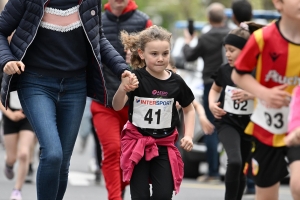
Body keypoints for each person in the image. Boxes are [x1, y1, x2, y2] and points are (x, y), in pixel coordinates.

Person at [0, 0, 138, 200]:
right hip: (35, 83)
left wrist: (122, 70)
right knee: (53, 153)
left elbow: (98, 39)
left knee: (63, 162)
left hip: (75, 86)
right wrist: (7, 59)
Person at [113, 25, 195, 199]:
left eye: (165, 54)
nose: (160, 59)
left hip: (164, 145)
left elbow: (189, 109)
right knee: (140, 195)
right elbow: (117, 106)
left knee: (164, 195)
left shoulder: (176, 82)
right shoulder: (136, 78)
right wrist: (122, 89)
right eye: (154, 54)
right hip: (138, 144)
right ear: (142, 54)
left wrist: (188, 135)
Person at [231, 0, 300, 199]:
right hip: (267, 127)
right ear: (278, 3)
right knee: (267, 195)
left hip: (297, 126)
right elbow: (239, 74)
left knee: (298, 186)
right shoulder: (263, 38)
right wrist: (265, 93)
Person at [90, 0, 152, 199]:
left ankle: (122, 188)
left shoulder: (143, 21)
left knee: (132, 157)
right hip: (104, 101)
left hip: (135, 105)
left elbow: (157, 59)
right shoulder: (94, 17)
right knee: (112, 150)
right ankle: (114, 197)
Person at [209, 23, 263, 200]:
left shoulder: (257, 71)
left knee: (242, 167)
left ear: (246, 50)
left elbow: (267, 95)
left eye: (232, 50)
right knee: (235, 161)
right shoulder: (225, 70)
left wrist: (251, 94)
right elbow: (215, 89)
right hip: (228, 122)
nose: (228, 54)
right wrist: (211, 104)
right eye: (226, 49)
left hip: (250, 125)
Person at [183, 2, 230, 183]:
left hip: (211, 85)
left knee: (211, 127)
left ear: (209, 19)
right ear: (224, 17)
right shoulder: (231, 35)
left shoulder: (205, 38)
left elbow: (189, 56)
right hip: (232, 85)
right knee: (234, 125)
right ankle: (241, 173)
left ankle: (213, 172)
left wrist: (188, 42)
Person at [1, 92, 36, 200]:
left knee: (24, 153)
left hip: (28, 117)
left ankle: (17, 191)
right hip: (9, 116)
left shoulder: (31, 74)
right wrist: (11, 114)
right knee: (12, 158)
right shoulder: (5, 74)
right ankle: (9, 163)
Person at [166, 59, 214, 135]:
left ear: (175, 70)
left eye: (167, 71)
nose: (164, 75)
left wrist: (202, 117)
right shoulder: (150, 87)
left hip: (171, 136)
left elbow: (196, 105)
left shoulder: (178, 88)